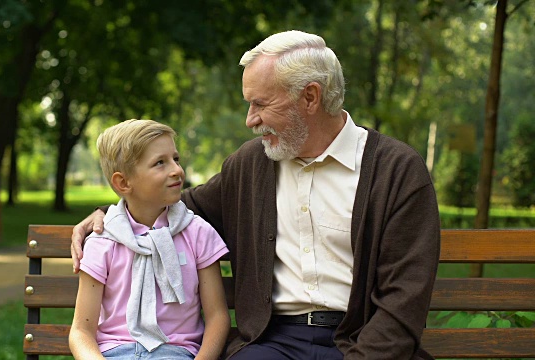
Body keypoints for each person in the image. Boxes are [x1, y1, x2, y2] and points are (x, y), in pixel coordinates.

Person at [71, 30, 441, 360]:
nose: (250, 119)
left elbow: (401, 301)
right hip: (271, 342)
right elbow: (177, 206)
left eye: (261, 104)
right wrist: (107, 213)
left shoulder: (397, 171)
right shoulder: (251, 164)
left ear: (310, 98)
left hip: (360, 340)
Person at [68, 119, 230, 360]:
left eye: (176, 159)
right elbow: (81, 331)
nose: (176, 170)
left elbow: (218, 317)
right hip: (112, 353)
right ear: (123, 183)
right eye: (160, 163)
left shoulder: (197, 233)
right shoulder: (103, 242)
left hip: (174, 352)